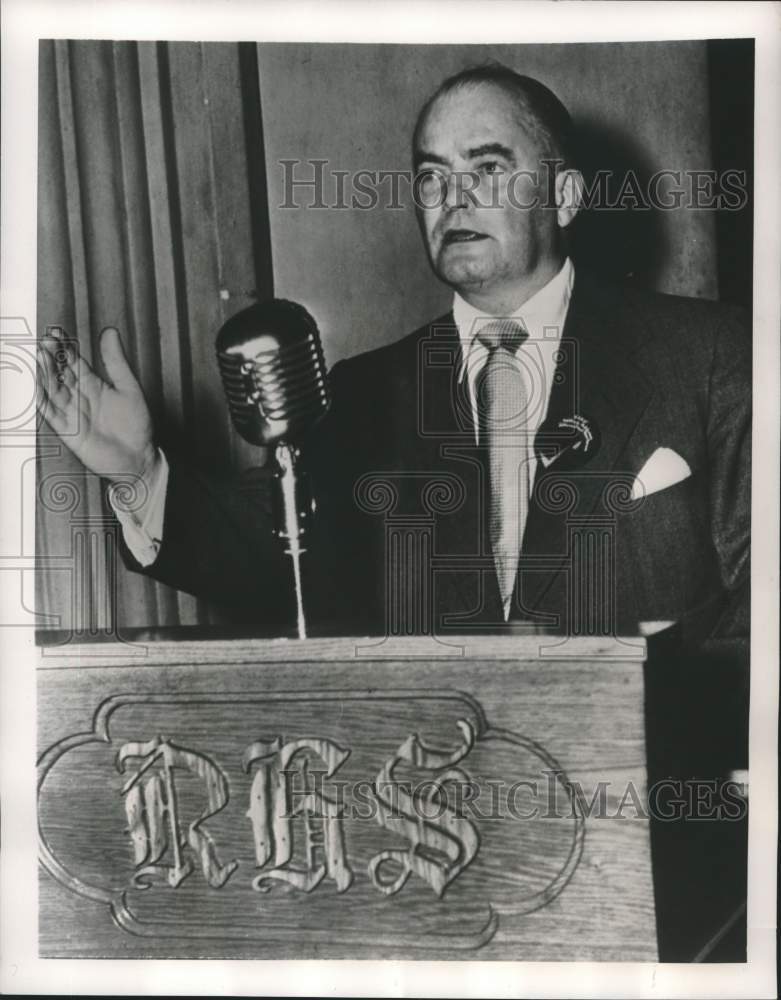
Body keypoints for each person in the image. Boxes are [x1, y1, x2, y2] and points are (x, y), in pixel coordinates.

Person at [38, 65, 750, 643]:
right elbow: (275, 558)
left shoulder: (710, 354)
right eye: (431, 176)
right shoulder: (366, 391)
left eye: (488, 167)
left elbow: (762, 597)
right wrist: (138, 471)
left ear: (564, 196)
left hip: (648, 785)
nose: (453, 197)